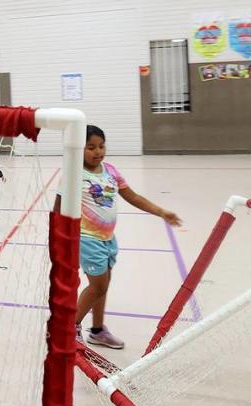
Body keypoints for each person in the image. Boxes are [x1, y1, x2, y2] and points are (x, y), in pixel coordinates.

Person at [55, 124, 182, 350]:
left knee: (103, 286)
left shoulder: (111, 171)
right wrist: (59, 237)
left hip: (107, 238)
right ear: (78, 150)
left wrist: (161, 212)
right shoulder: (74, 174)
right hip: (86, 238)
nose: (98, 151)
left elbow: (133, 196)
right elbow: (58, 206)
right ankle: (70, 328)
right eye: (91, 147)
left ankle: (97, 330)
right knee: (98, 286)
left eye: (101, 146)